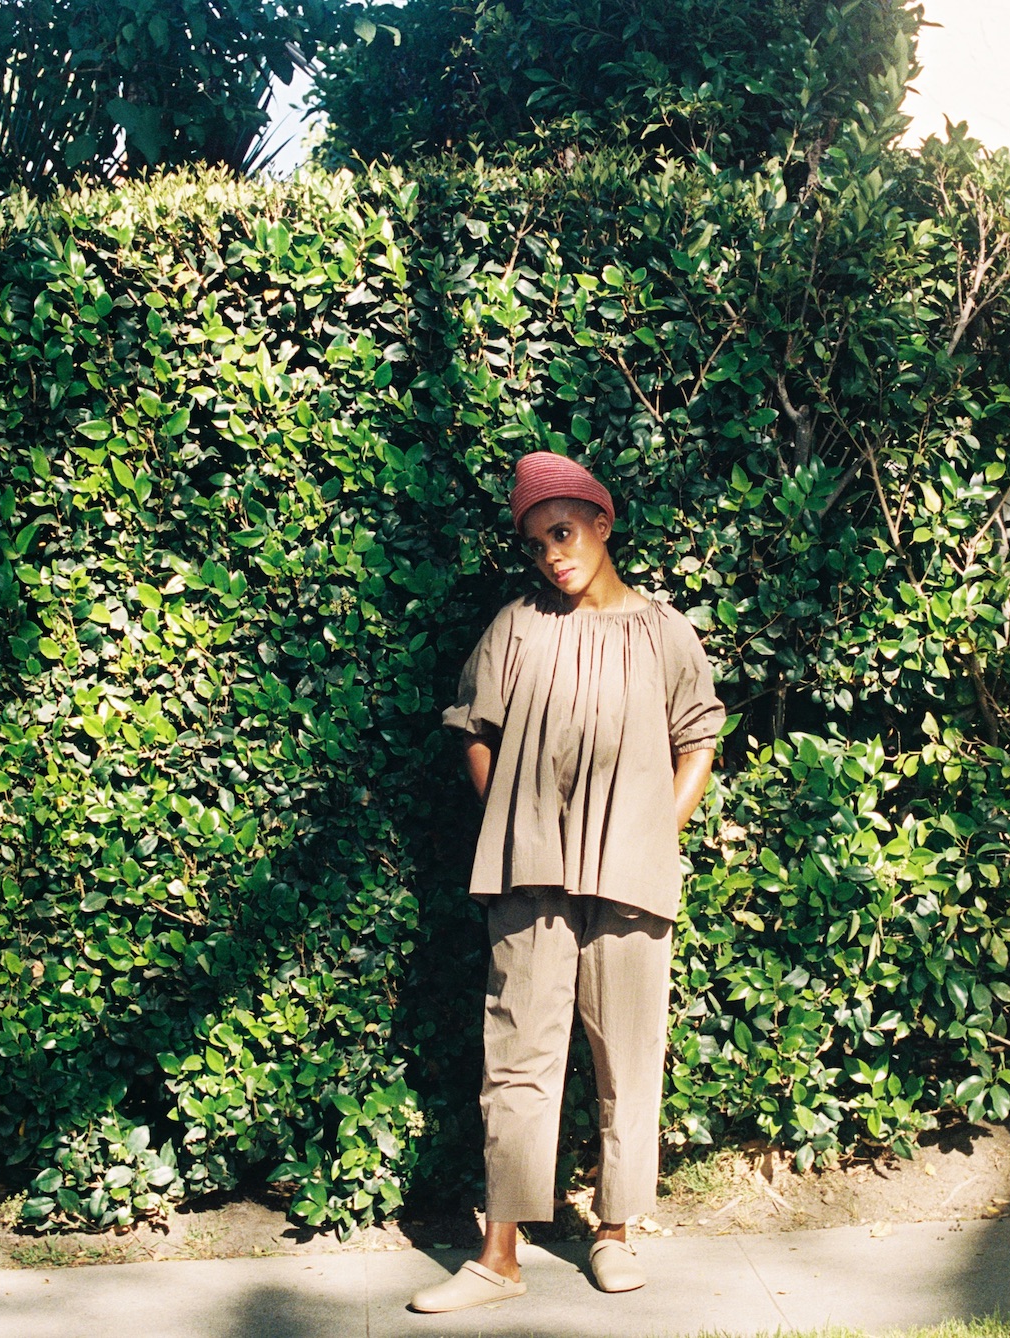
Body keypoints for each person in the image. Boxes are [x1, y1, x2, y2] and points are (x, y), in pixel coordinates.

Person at [410, 451, 724, 1313]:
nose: (552, 555)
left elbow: (697, 736)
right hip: (530, 873)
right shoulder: (518, 626)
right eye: (535, 543)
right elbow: (473, 725)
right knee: (517, 1055)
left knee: (628, 1054)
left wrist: (656, 830)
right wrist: (508, 818)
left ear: (601, 524)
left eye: (563, 532)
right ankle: (498, 1255)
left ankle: (615, 1232)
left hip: (632, 873)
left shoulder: (665, 632)